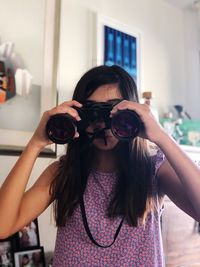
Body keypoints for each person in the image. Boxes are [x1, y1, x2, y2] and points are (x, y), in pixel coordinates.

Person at [0, 65, 200, 266]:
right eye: (91, 112)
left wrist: (161, 137)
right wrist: (36, 142)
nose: (101, 123)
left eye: (114, 110)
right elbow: (3, 226)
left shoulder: (152, 170)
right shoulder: (63, 173)